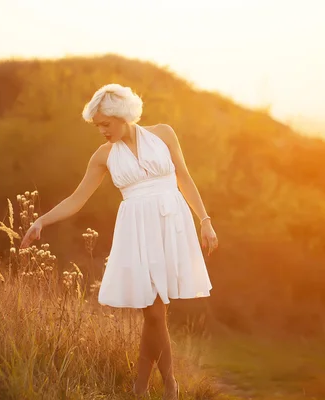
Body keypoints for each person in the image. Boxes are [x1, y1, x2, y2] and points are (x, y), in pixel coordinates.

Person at [20, 83, 217, 399]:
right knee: (152, 311)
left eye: (105, 124)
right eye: (97, 125)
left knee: (155, 313)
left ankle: (148, 387)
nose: (101, 130)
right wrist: (42, 220)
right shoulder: (103, 156)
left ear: (123, 116)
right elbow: (76, 198)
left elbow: (184, 177)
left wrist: (204, 220)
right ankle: (164, 385)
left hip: (171, 223)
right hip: (136, 231)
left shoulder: (163, 134)